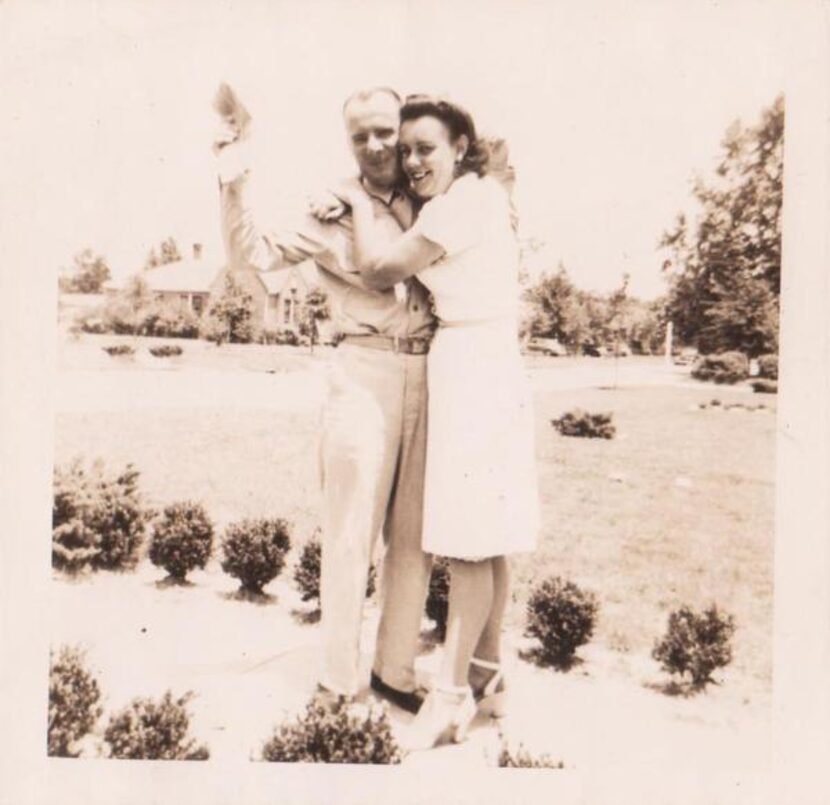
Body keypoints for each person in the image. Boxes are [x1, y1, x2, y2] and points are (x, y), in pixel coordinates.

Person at [323, 95, 540, 750]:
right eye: (406, 148)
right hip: (485, 360)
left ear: (458, 148)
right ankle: (489, 675)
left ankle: (449, 696)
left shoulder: (462, 203)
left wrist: (359, 205)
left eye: (426, 148)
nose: (411, 160)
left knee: (468, 539)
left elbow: (381, 268)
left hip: (473, 366)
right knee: (489, 535)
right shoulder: (478, 194)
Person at [212, 84, 434, 712]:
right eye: (359, 135)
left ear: (404, 126)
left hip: (433, 373)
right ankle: (338, 680)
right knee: (350, 536)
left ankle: (395, 671)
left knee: (414, 537)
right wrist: (235, 176)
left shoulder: (433, 194)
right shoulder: (330, 208)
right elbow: (249, 254)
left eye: (385, 130)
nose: (375, 145)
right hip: (363, 374)